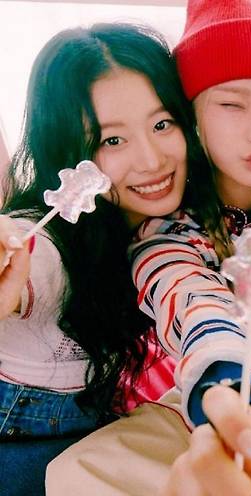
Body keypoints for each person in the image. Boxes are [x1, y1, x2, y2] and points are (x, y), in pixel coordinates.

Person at [46, 1, 251, 492]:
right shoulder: (168, 230)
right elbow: (189, 296)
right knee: (77, 473)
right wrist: (226, 381)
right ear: (192, 115)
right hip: (216, 402)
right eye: (232, 104)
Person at [0, 22, 213, 494]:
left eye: (162, 124)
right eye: (112, 140)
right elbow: (27, 260)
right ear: (67, 149)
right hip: (19, 449)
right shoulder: (50, 242)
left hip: (88, 436)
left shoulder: (172, 226)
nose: (152, 160)